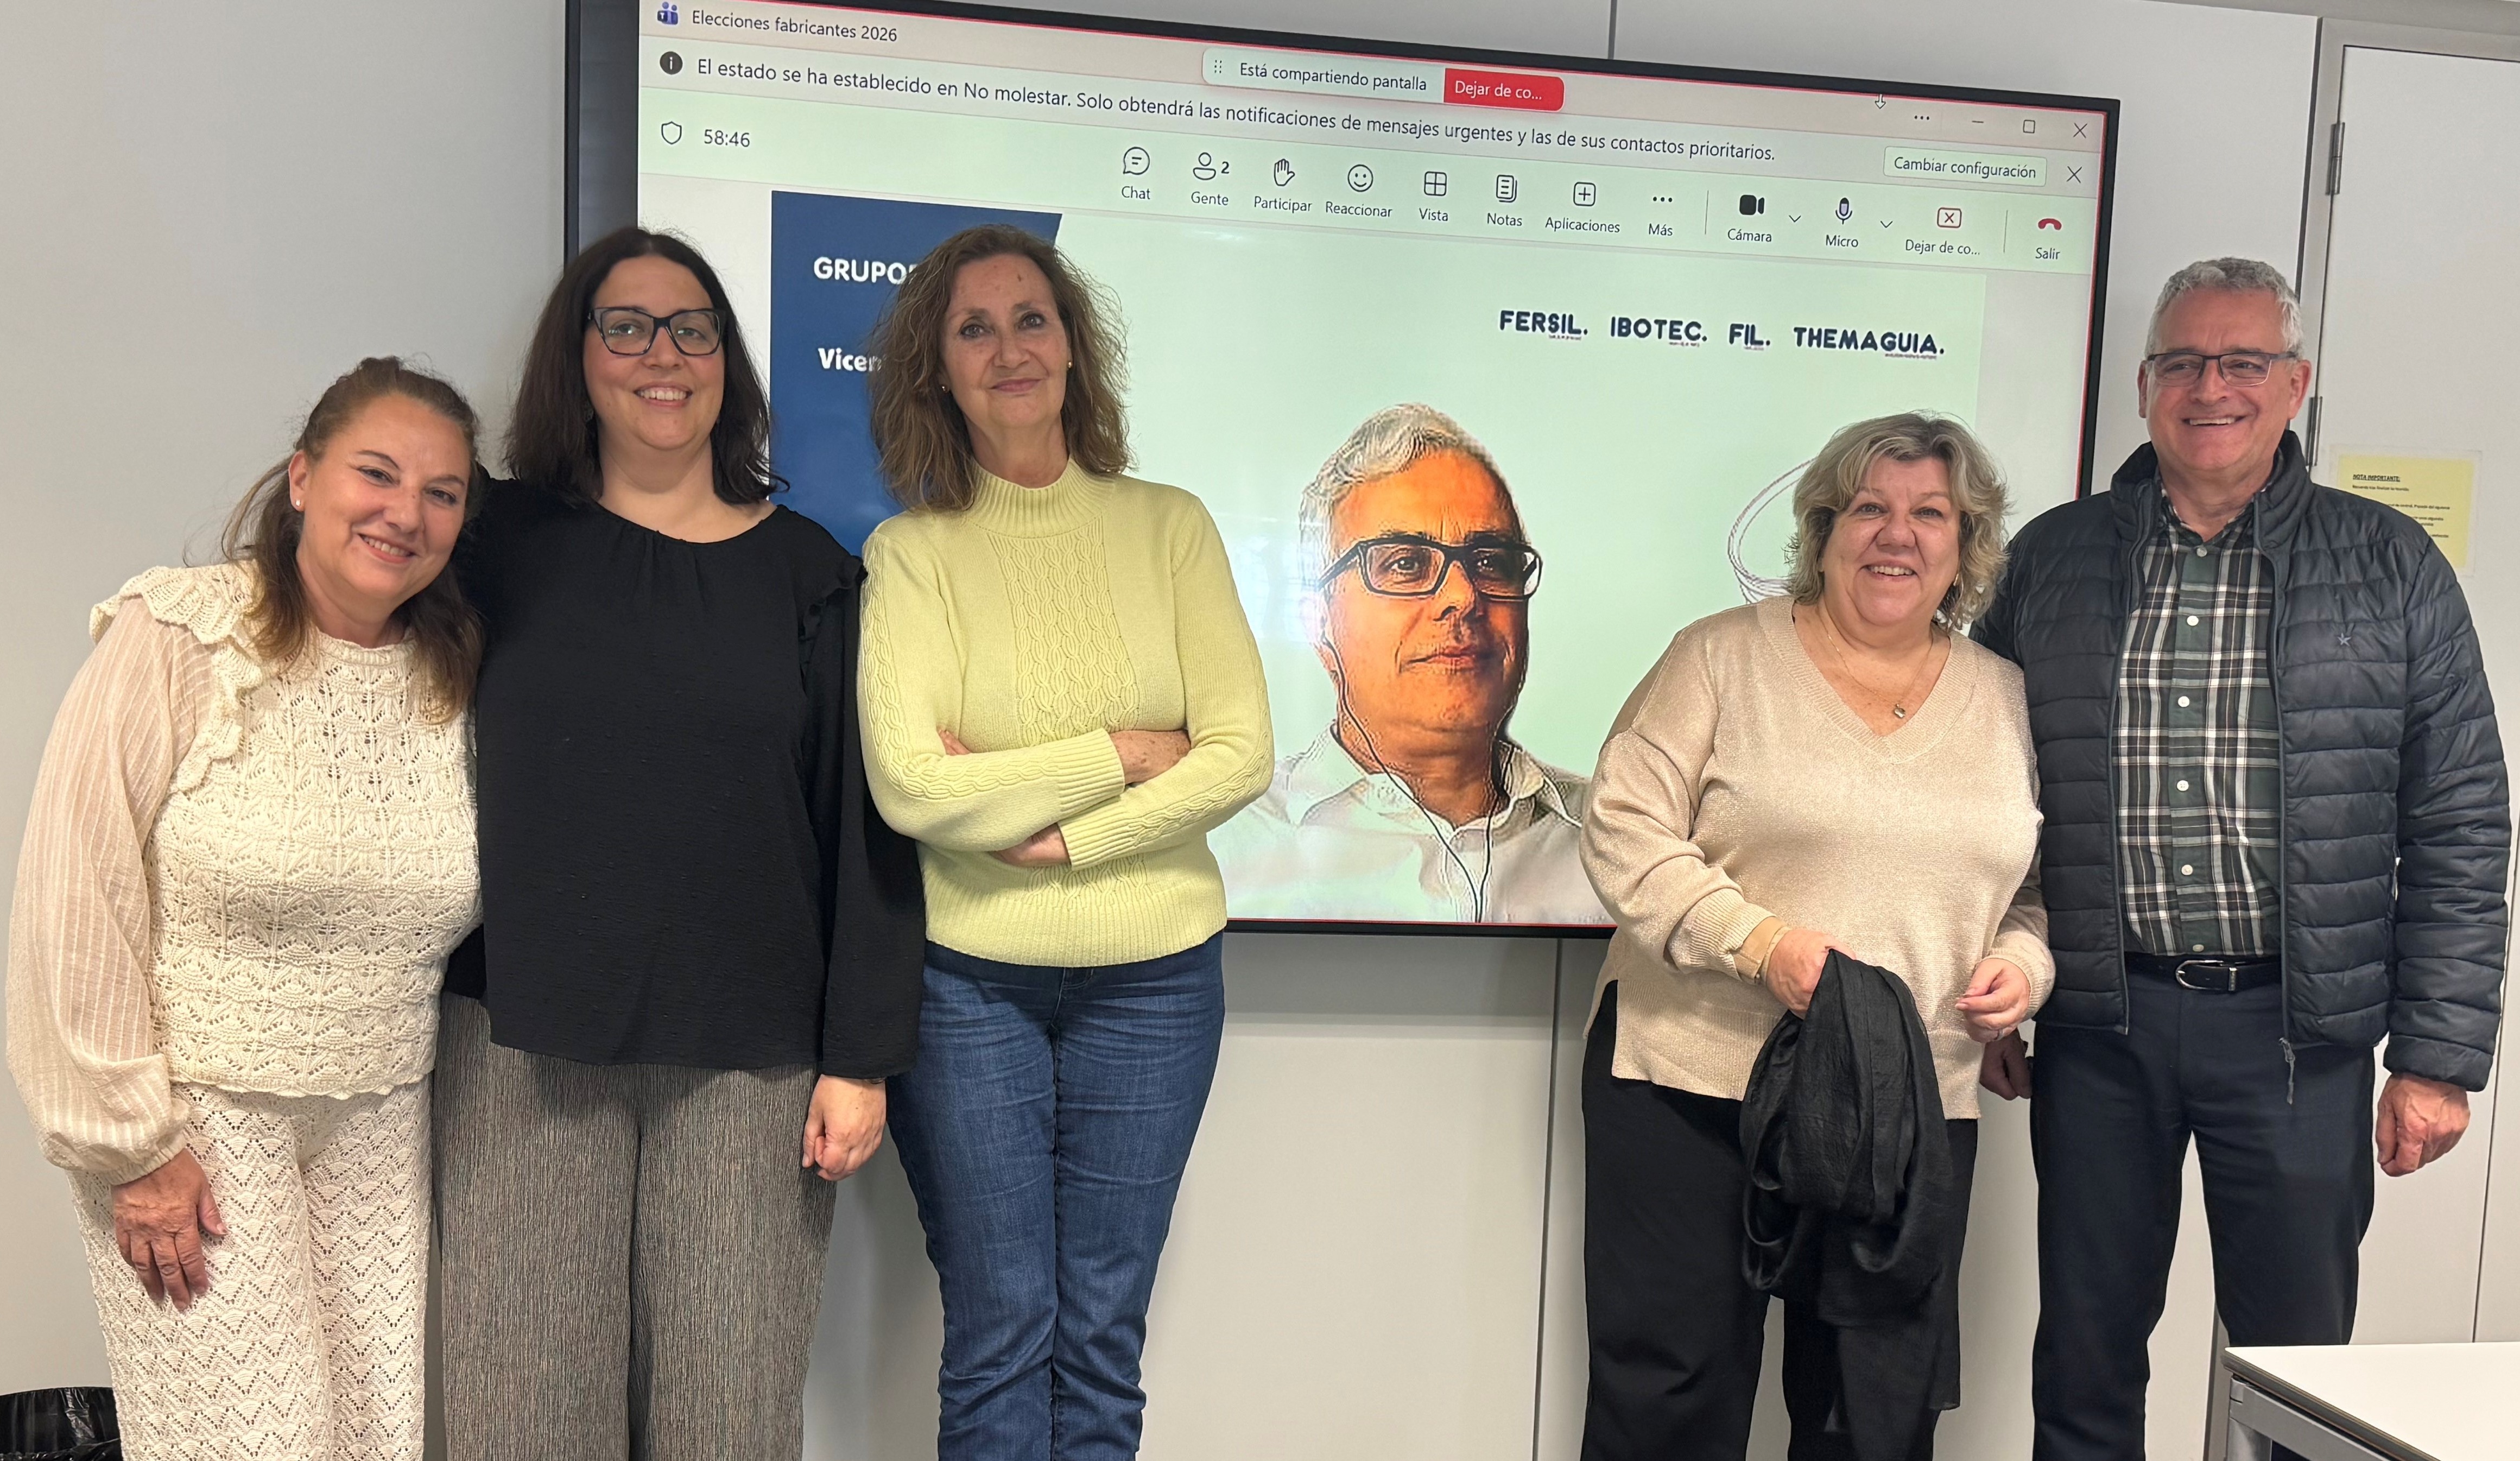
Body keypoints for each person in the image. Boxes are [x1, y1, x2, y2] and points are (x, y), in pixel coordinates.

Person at [1971, 258, 2508, 1461]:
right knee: (2083, 1356)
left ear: (2293, 384)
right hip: (2099, 1025)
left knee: (2300, 1371)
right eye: (2181, 363)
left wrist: (2435, 1056)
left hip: (2296, 1036)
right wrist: (1989, 979)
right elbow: (1982, 791)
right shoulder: (2051, 560)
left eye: (2242, 362)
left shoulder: (2389, 564)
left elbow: (2461, 819)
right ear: (2144, 386)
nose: (2209, 388)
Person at [434, 227, 925, 1460]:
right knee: (524, 1419)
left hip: (752, 1059)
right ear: (577, 357)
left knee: (728, 1419)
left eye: (692, 328)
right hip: (524, 1042)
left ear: (727, 360)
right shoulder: (497, 543)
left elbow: (859, 826)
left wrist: (861, 1060)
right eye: (628, 326)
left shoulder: (811, 575)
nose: (664, 355)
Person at [8, 358, 485, 1459]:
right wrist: (131, 1148)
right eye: (377, 473)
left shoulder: (452, 673)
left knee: (377, 1441)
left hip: (381, 1119)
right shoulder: (182, 634)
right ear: (303, 477)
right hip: (197, 1125)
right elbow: (75, 889)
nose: (405, 513)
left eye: (442, 492)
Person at [857, 223, 1274, 1460]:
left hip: (1155, 985)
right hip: (967, 987)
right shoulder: (911, 555)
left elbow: (1240, 754)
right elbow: (913, 786)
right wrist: (1124, 753)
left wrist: (1059, 840)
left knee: (1100, 1336)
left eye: (1030, 318)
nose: (1009, 349)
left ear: (1074, 347)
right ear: (938, 371)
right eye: (973, 329)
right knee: (1000, 1330)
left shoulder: (1170, 527)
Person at [1578, 412, 2053, 1460]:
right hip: (1692, 1084)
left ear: (1966, 545)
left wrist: (2023, 967)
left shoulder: (2008, 699)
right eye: (1869, 508)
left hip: (1905, 1108)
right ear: (1824, 531)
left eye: (1931, 514)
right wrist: (1761, 946)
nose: (1898, 534)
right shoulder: (1717, 659)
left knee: (1868, 1417)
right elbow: (1621, 827)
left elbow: (2034, 891)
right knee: (1669, 1399)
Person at [1211, 403, 1604, 925]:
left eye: (1491, 562)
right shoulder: (1221, 845)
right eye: (1406, 563)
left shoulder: (1621, 845)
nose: (1463, 596)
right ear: (1319, 622)